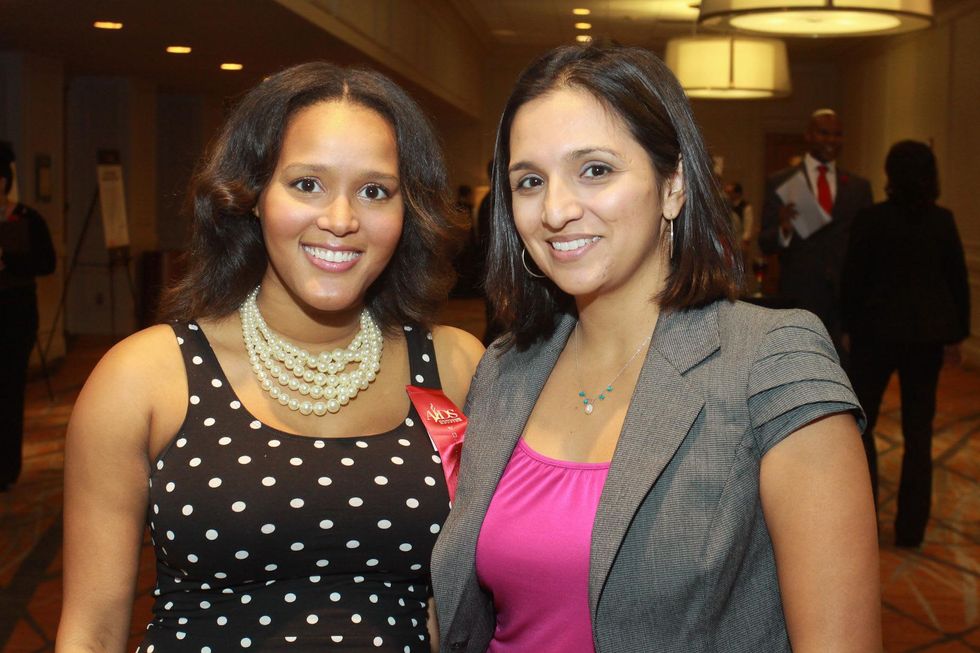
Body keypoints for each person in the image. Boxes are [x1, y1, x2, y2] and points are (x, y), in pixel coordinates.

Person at [431, 45, 880, 652]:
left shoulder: (771, 360)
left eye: (595, 170)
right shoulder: (507, 367)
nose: (557, 210)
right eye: (530, 181)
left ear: (673, 186)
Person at [57, 62, 483, 652]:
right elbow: (93, 632)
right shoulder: (146, 377)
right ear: (252, 195)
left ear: (408, 209)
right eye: (307, 183)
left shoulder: (456, 367)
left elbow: (457, 609)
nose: (341, 221)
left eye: (374, 191)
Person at [842, 140, 970, 548]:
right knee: (919, 432)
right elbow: (957, 284)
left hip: (874, 334)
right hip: (925, 338)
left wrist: (847, 325)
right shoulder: (942, 221)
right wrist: (958, 335)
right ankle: (911, 529)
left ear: (889, 174)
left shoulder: (871, 220)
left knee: (862, 426)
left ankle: (863, 518)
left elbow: (853, 279)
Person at [758, 109, 872, 355]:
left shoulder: (858, 187)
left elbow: (867, 245)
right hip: (800, 294)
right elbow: (765, 243)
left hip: (845, 298)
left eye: (837, 135)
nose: (831, 140)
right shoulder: (782, 181)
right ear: (808, 136)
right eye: (824, 133)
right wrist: (784, 229)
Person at [0, 142, 56, 492]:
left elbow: (46, 263)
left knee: (8, 393)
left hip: (13, 317)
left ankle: (5, 470)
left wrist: (8, 261)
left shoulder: (27, 218)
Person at [723, 180, 754, 257]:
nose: (727, 195)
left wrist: (744, 241)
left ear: (737, 193)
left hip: (739, 243)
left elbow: (748, 226)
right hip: (726, 243)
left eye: (729, 192)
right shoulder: (725, 206)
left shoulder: (746, 207)